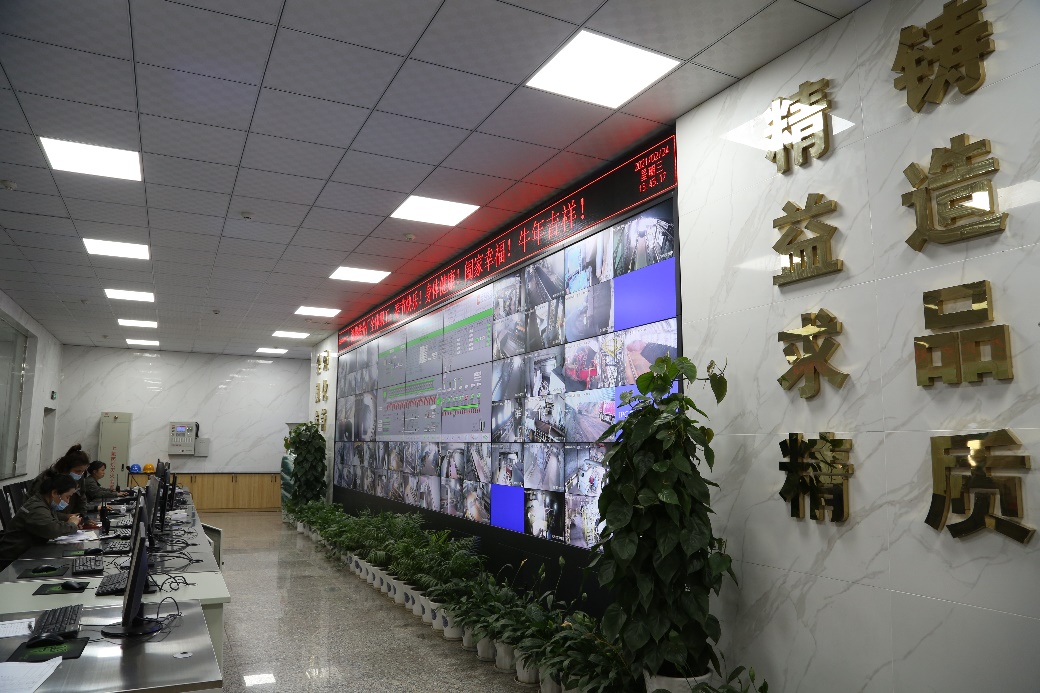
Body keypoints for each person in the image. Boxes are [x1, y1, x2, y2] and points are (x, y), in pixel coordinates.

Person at [0, 472, 81, 565]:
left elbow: (49, 515)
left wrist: (68, 517)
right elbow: (52, 530)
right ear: (54, 493)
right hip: (12, 561)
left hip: (27, 553)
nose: (68, 501)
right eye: (67, 497)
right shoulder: (36, 508)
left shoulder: (42, 501)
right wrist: (72, 524)